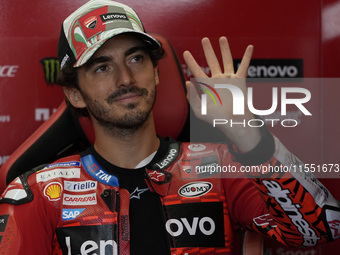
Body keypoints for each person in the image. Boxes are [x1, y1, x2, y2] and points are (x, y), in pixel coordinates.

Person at [0, 0, 339, 254]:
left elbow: (320, 229)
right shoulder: (41, 193)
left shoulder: (220, 167)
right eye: (102, 67)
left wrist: (250, 136)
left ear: (157, 72)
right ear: (75, 94)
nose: (126, 78)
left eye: (136, 58)